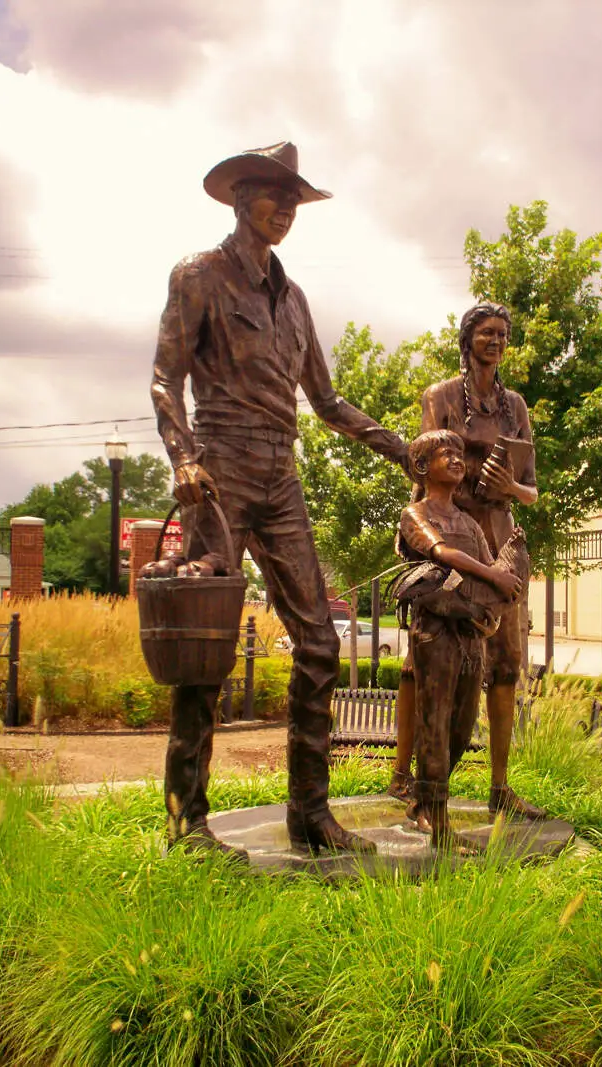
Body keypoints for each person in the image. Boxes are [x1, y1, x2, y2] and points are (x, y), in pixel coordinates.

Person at [151, 142, 409, 857]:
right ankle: (185, 822)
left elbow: (325, 400)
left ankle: (311, 813)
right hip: (221, 470)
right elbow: (165, 379)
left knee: (321, 642)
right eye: (276, 196)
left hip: (280, 476)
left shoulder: (294, 302)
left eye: (296, 200)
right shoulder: (198, 276)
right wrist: (185, 458)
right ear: (241, 200)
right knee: (207, 651)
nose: (288, 209)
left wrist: (401, 448)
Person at [388, 302, 545, 822]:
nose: (495, 341)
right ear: (467, 339)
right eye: (485, 333)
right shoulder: (443, 396)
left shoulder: (515, 405)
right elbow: (429, 456)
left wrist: (512, 488)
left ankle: (500, 786)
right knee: (425, 662)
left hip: (496, 533)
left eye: (502, 334)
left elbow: (532, 491)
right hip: (449, 525)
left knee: (505, 662)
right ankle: (402, 776)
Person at [394, 430, 522, 849]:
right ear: (421, 467)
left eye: (458, 453)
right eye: (444, 453)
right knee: (434, 720)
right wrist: (495, 576)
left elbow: (487, 566)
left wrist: (498, 603)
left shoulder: (468, 521)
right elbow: (443, 554)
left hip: (470, 635)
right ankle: (440, 822)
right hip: (435, 633)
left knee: (462, 728)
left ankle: (424, 800)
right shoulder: (416, 514)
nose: (455, 459)